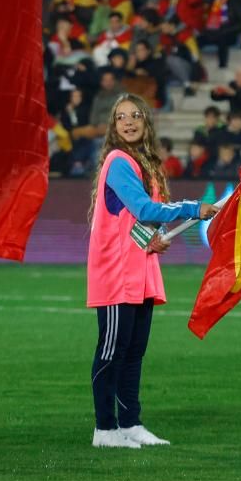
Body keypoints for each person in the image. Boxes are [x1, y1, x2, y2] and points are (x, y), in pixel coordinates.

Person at [86, 93, 218, 449]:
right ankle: (104, 428)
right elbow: (144, 206)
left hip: (138, 270)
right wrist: (193, 208)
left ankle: (130, 423)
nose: (128, 122)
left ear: (146, 121)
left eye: (135, 116)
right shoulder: (117, 161)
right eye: (120, 118)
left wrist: (151, 238)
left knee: (133, 352)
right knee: (111, 351)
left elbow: (128, 218)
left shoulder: (143, 163)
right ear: (114, 127)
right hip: (116, 273)